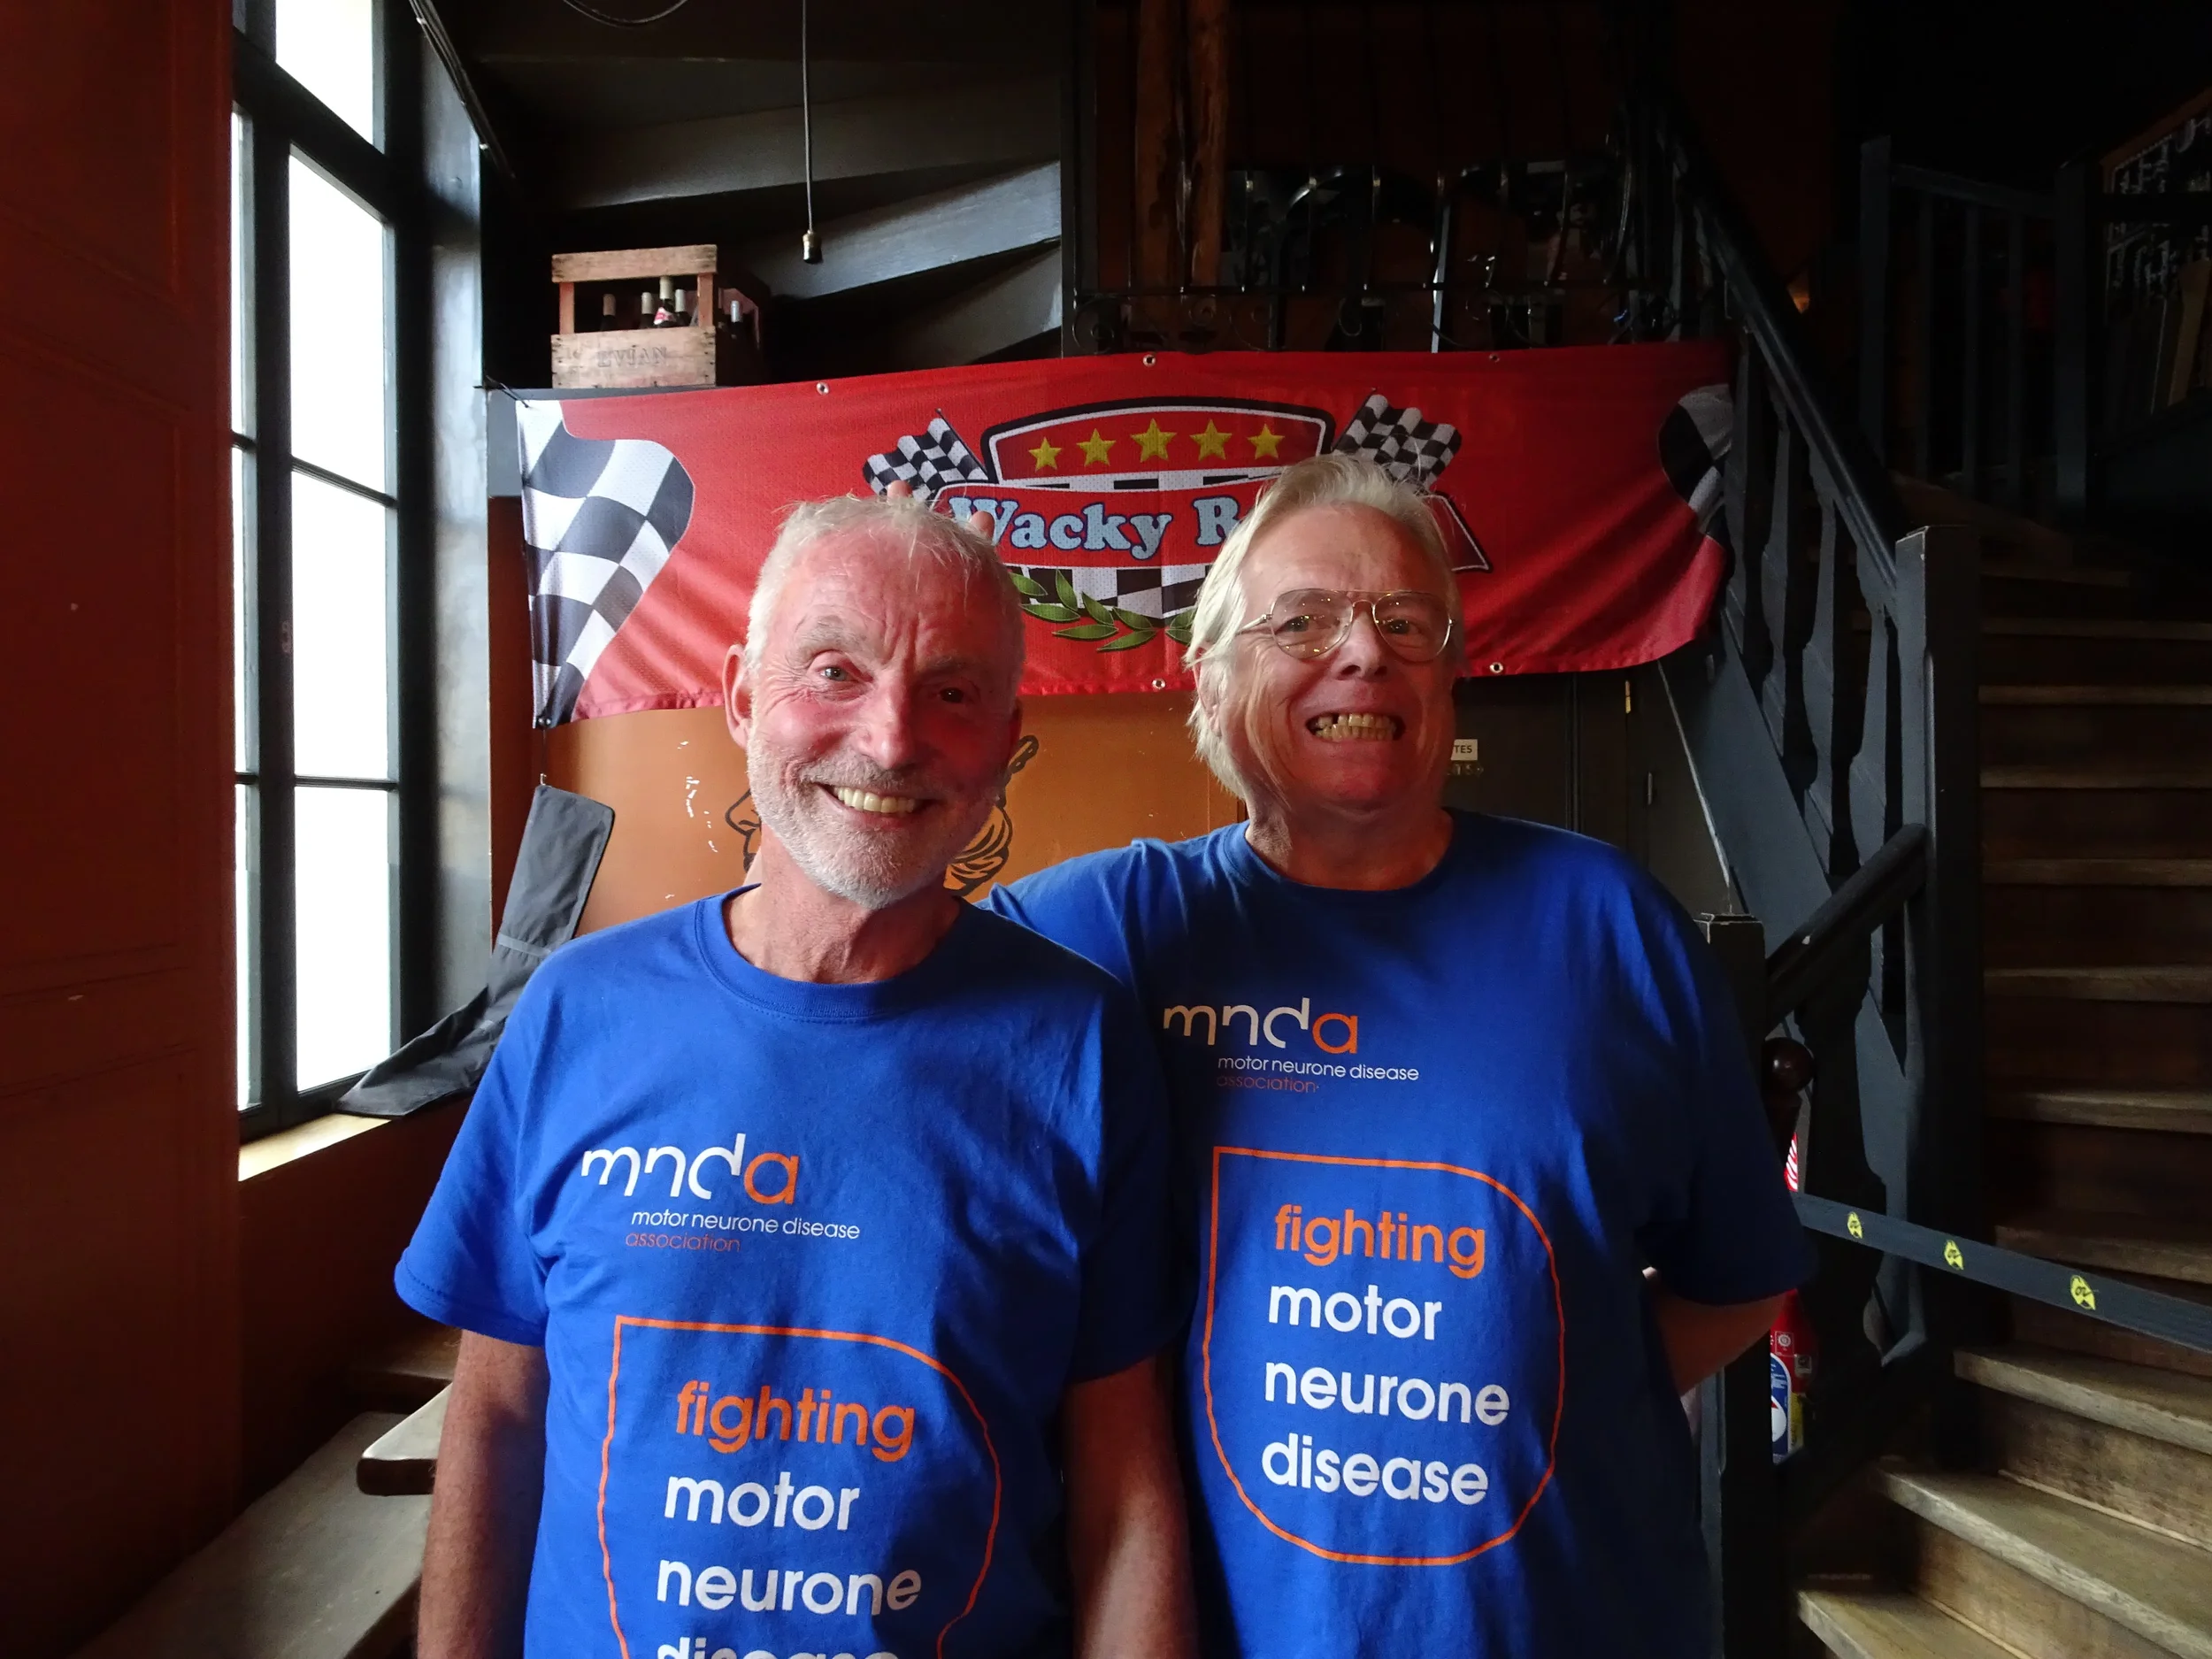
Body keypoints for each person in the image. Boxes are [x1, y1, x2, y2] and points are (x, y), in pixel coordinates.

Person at [983, 454, 1813, 1657]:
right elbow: (864, 980)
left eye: (1405, 621)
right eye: (1302, 619)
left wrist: (1544, 1386)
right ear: (1208, 686)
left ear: (1451, 674)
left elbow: (1737, 1280)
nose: (1362, 650)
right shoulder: (1113, 929)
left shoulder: (1607, 923)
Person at [398, 495, 1196, 1659]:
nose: (889, 738)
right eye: (835, 670)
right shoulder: (577, 1012)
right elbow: (497, 1420)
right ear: (737, 693)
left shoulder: (1079, 1043)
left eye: (954, 692)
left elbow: (1124, 1494)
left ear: (1008, 738)